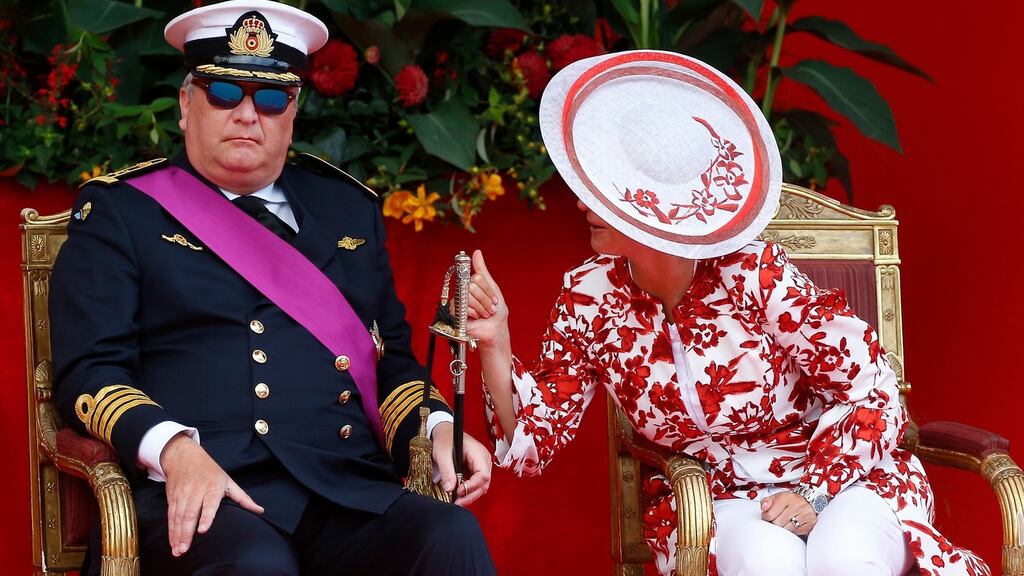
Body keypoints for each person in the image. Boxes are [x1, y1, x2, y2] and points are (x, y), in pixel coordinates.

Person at [465, 50, 989, 576]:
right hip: (712, 503)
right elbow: (533, 444)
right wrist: (495, 341)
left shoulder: (752, 273)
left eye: (607, 193)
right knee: (769, 563)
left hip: (841, 477)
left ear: (657, 209)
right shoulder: (589, 297)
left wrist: (816, 492)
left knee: (845, 559)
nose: (582, 203)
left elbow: (870, 387)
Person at [49, 2, 495, 574]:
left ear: (293, 111)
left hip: (340, 487)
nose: (246, 114)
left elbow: (391, 363)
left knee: (447, 536)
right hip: (203, 488)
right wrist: (175, 450)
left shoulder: (346, 210)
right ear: (186, 105)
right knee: (257, 564)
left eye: (269, 98)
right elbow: (91, 370)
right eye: (224, 93)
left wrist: (435, 429)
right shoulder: (122, 210)